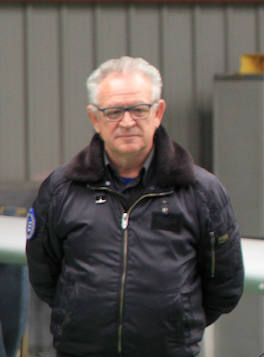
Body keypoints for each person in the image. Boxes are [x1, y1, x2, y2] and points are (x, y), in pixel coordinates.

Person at [26, 56, 244, 357]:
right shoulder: (62, 188)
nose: (127, 122)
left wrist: (175, 326)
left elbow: (225, 285)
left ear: (158, 113)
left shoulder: (201, 191)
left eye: (139, 110)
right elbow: (43, 273)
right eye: (114, 111)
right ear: (95, 119)